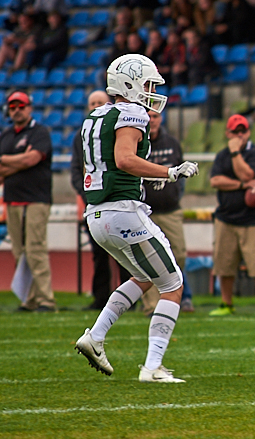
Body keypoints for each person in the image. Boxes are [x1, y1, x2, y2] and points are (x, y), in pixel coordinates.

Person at [72, 55, 199, 383]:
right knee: (173, 285)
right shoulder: (132, 112)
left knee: (145, 277)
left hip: (97, 214)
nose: (151, 90)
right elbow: (125, 159)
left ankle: (95, 337)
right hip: (123, 211)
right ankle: (152, 367)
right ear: (128, 83)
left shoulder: (95, 116)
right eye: (147, 83)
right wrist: (170, 172)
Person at [0, 92, 53, 312]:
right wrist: (18, 161)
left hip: (36, 199)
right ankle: (29, 299)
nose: (16, 109)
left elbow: (33, 158)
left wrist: (5, 160)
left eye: (21, 106)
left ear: (29, 108)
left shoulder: (39, 133)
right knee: (19, 252)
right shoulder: (6, 135)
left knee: (35, 249)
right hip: (12, 199)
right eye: (12, 106)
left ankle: (46, 299)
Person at [208, 115, 255, 316]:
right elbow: (216, 181)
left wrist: (236, 152)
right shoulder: (221, 155)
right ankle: (226, 303)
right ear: (227, 133)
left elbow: (248, 174)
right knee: (224, 264)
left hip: (251, 219)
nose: (239, 135)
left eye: (242, 131)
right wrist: (242, 186)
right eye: (235, 132)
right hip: (225, 217)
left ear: (248, 133)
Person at [71, 91, 127, 310]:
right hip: (93, 203)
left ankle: (127, 298)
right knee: (98, 255)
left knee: (123, 251)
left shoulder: (117, 130)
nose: (95, 106)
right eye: (92, 103)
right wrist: (88, 193)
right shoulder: (81, 135)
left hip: (115, 199)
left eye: (100, 102)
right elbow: (76, 169)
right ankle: (100, 298)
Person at [139, 108, 192, 314]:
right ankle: (151, 305)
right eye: (148, 116)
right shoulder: (136, 142)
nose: (152, 120)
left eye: (156, 116)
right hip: (145, 211)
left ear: (161, 119)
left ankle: (170, 297)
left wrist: (176, 195)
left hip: (170, 210)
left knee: (178, 254)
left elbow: (181, 173)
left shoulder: (172, 143)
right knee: (148, 257)